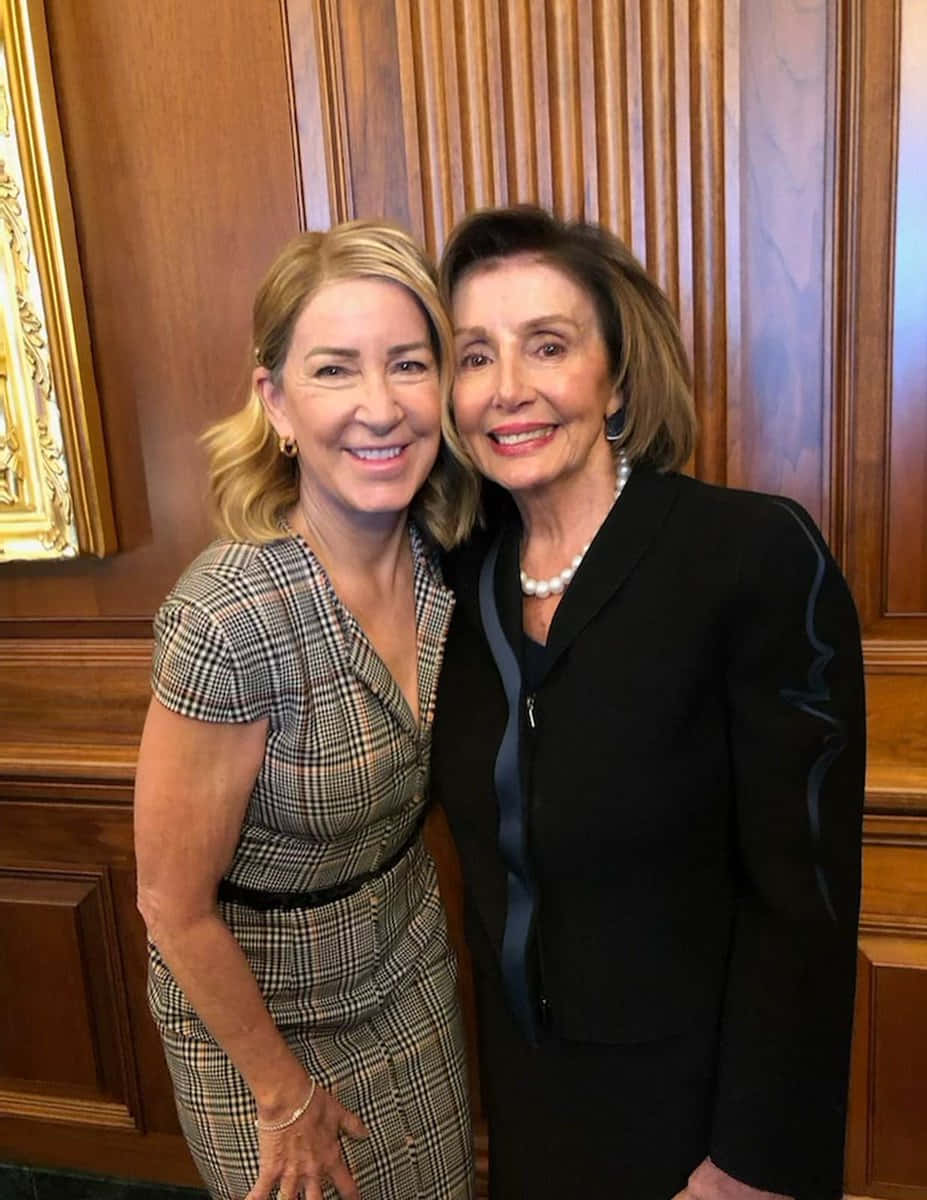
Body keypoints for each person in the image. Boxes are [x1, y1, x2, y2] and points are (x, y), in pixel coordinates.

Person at [429, 205, 865, 1200]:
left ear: (617, 375)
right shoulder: (452, 582)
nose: (510, 391)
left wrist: (752, 1163)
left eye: (549, 346)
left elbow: (801, 899)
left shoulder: (747, 556)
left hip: (706, 1113)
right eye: (473, 356)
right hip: (532, 1098)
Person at [134, 222, 475, 1200]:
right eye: (335, 370)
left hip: (409, 980)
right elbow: (170, 905)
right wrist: (282, 1095)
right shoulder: (226, 617)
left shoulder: (446, 558)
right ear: (275, 402)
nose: (380, 407)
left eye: (409, 365)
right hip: (257, 1030)